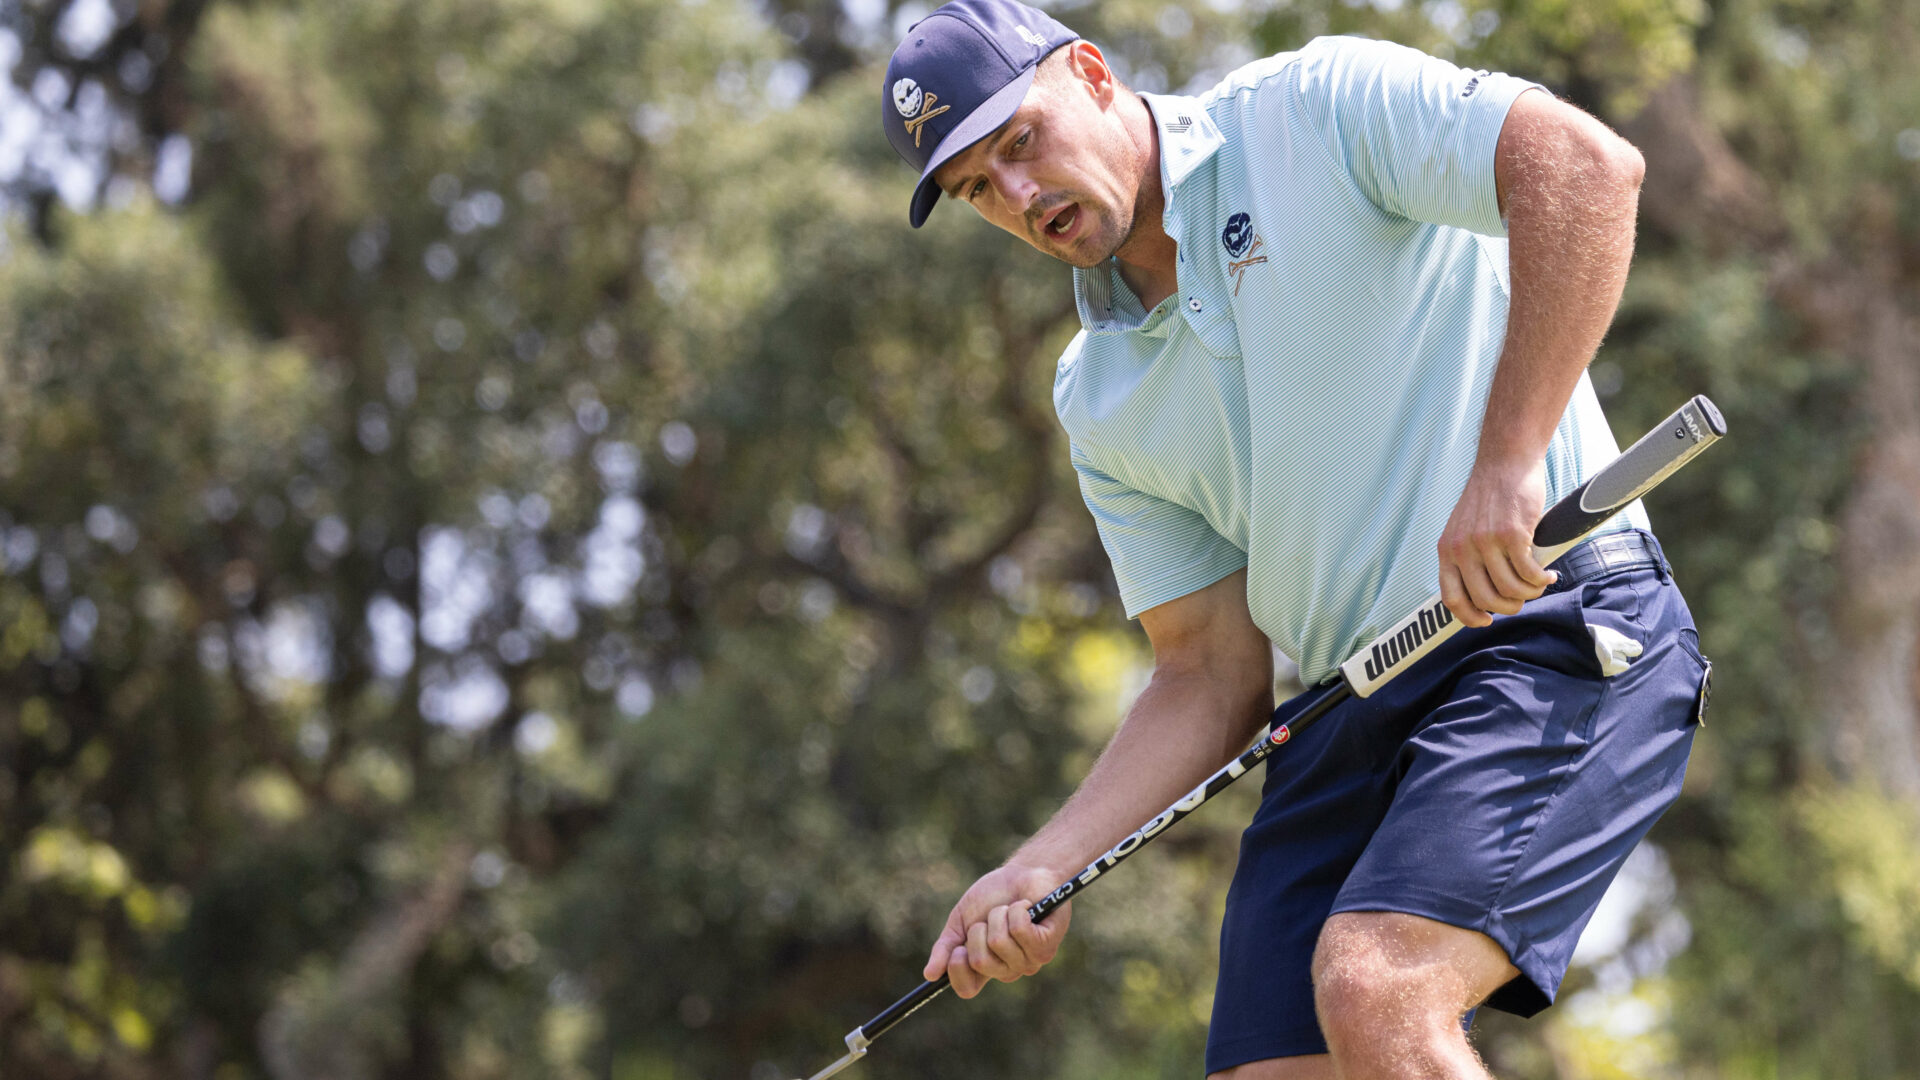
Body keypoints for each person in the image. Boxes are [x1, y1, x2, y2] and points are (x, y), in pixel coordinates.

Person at [880, 3, 1712, 1077]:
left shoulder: (1310, 109)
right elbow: (1210, 674)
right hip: (1343, 706)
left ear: (1089, 72)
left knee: (1378, 989)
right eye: (977, 190)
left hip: (1549, 625)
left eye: (1019, 144)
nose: (1021, 197)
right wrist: (1041, 867)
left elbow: (1588, 168)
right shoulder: (1097, 397)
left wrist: (1505, 463)